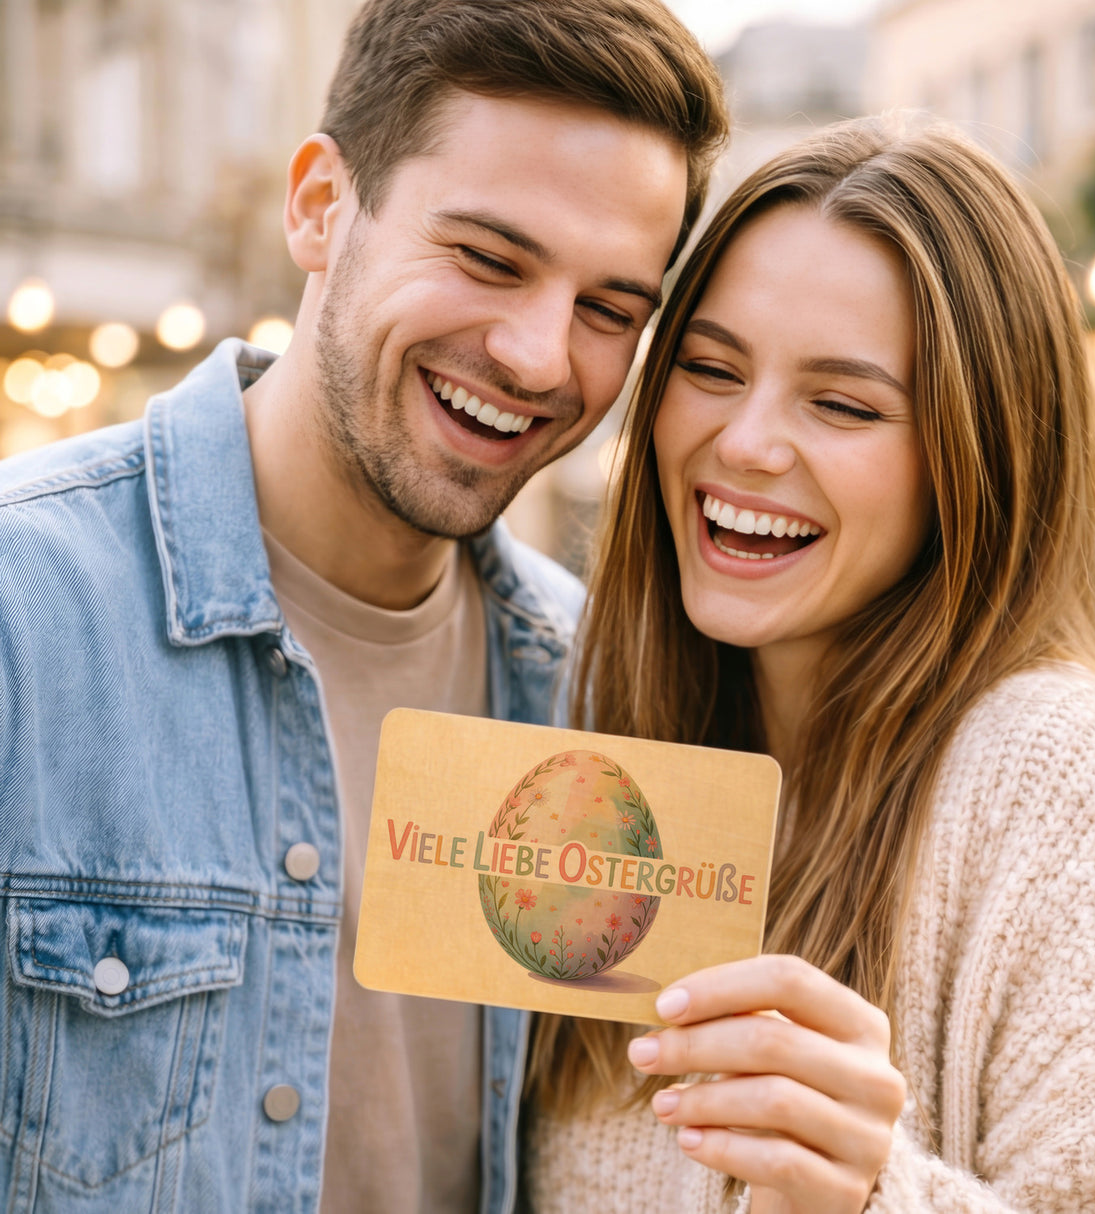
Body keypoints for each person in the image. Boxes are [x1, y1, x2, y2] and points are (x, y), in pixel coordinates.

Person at [0, 2, 727, 1211]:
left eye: (609, 308)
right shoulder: (26, 611)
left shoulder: (599, 695)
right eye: (488, 258)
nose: (542, 356)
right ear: (320, 207)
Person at [523, 115, 1095, 1213]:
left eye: (840, 403)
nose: (746, 441)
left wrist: (869, 1193)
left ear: (972, 455)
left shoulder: (1068, 784)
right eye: (708, 367)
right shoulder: (611, 732)